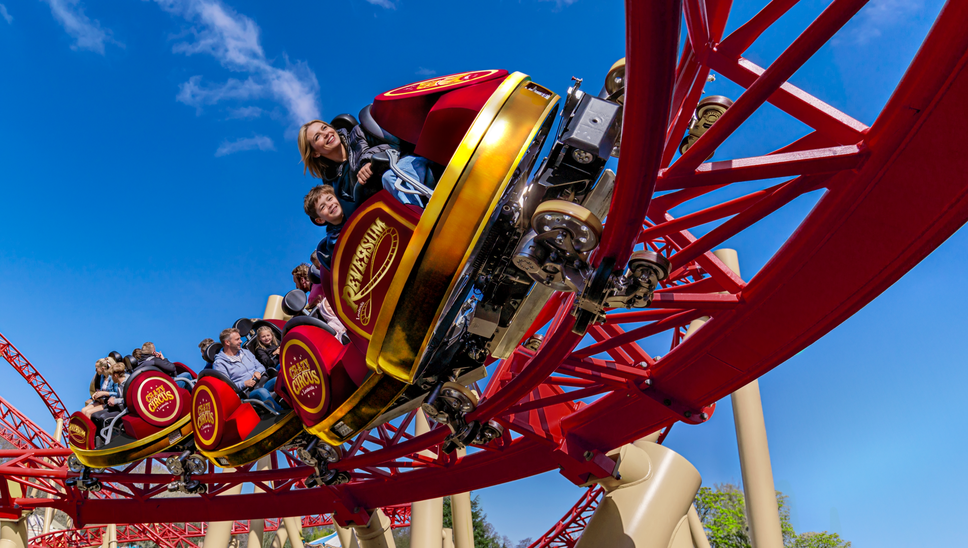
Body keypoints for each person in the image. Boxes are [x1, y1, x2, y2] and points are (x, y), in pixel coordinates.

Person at [213, 328, 282, 413]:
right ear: (227, 342)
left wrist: (258, 371)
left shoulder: (245, 352)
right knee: (262, 392)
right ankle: (283, 414)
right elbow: (226, 388)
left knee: (280, 378)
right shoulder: (219, 364)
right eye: (237, 339)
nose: (241, 341)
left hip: (262, 382)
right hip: (248, 393)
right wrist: (244, 383)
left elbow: (260, 366)